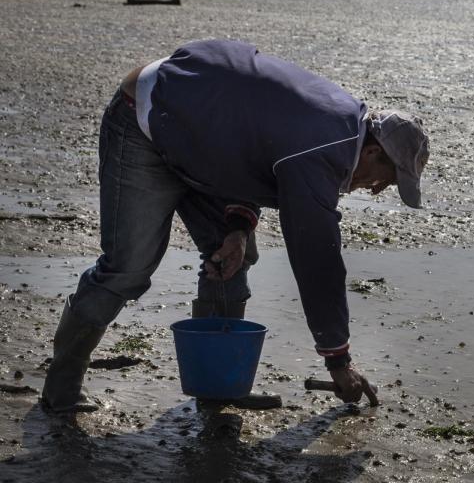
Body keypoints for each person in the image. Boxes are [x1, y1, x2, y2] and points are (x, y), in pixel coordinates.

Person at [40, 39, 429, 413]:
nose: (376, 190)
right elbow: (317, 263)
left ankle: (217, 385)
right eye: (385, 180)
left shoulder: (339, 129)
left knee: (230, 254)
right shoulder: (323, 152)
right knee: (128, 267)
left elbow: (253, 153)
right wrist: (338, 360)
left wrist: (239, 226)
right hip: (146, 119)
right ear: (373, 150)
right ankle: (62, 388)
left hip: (203, 135)